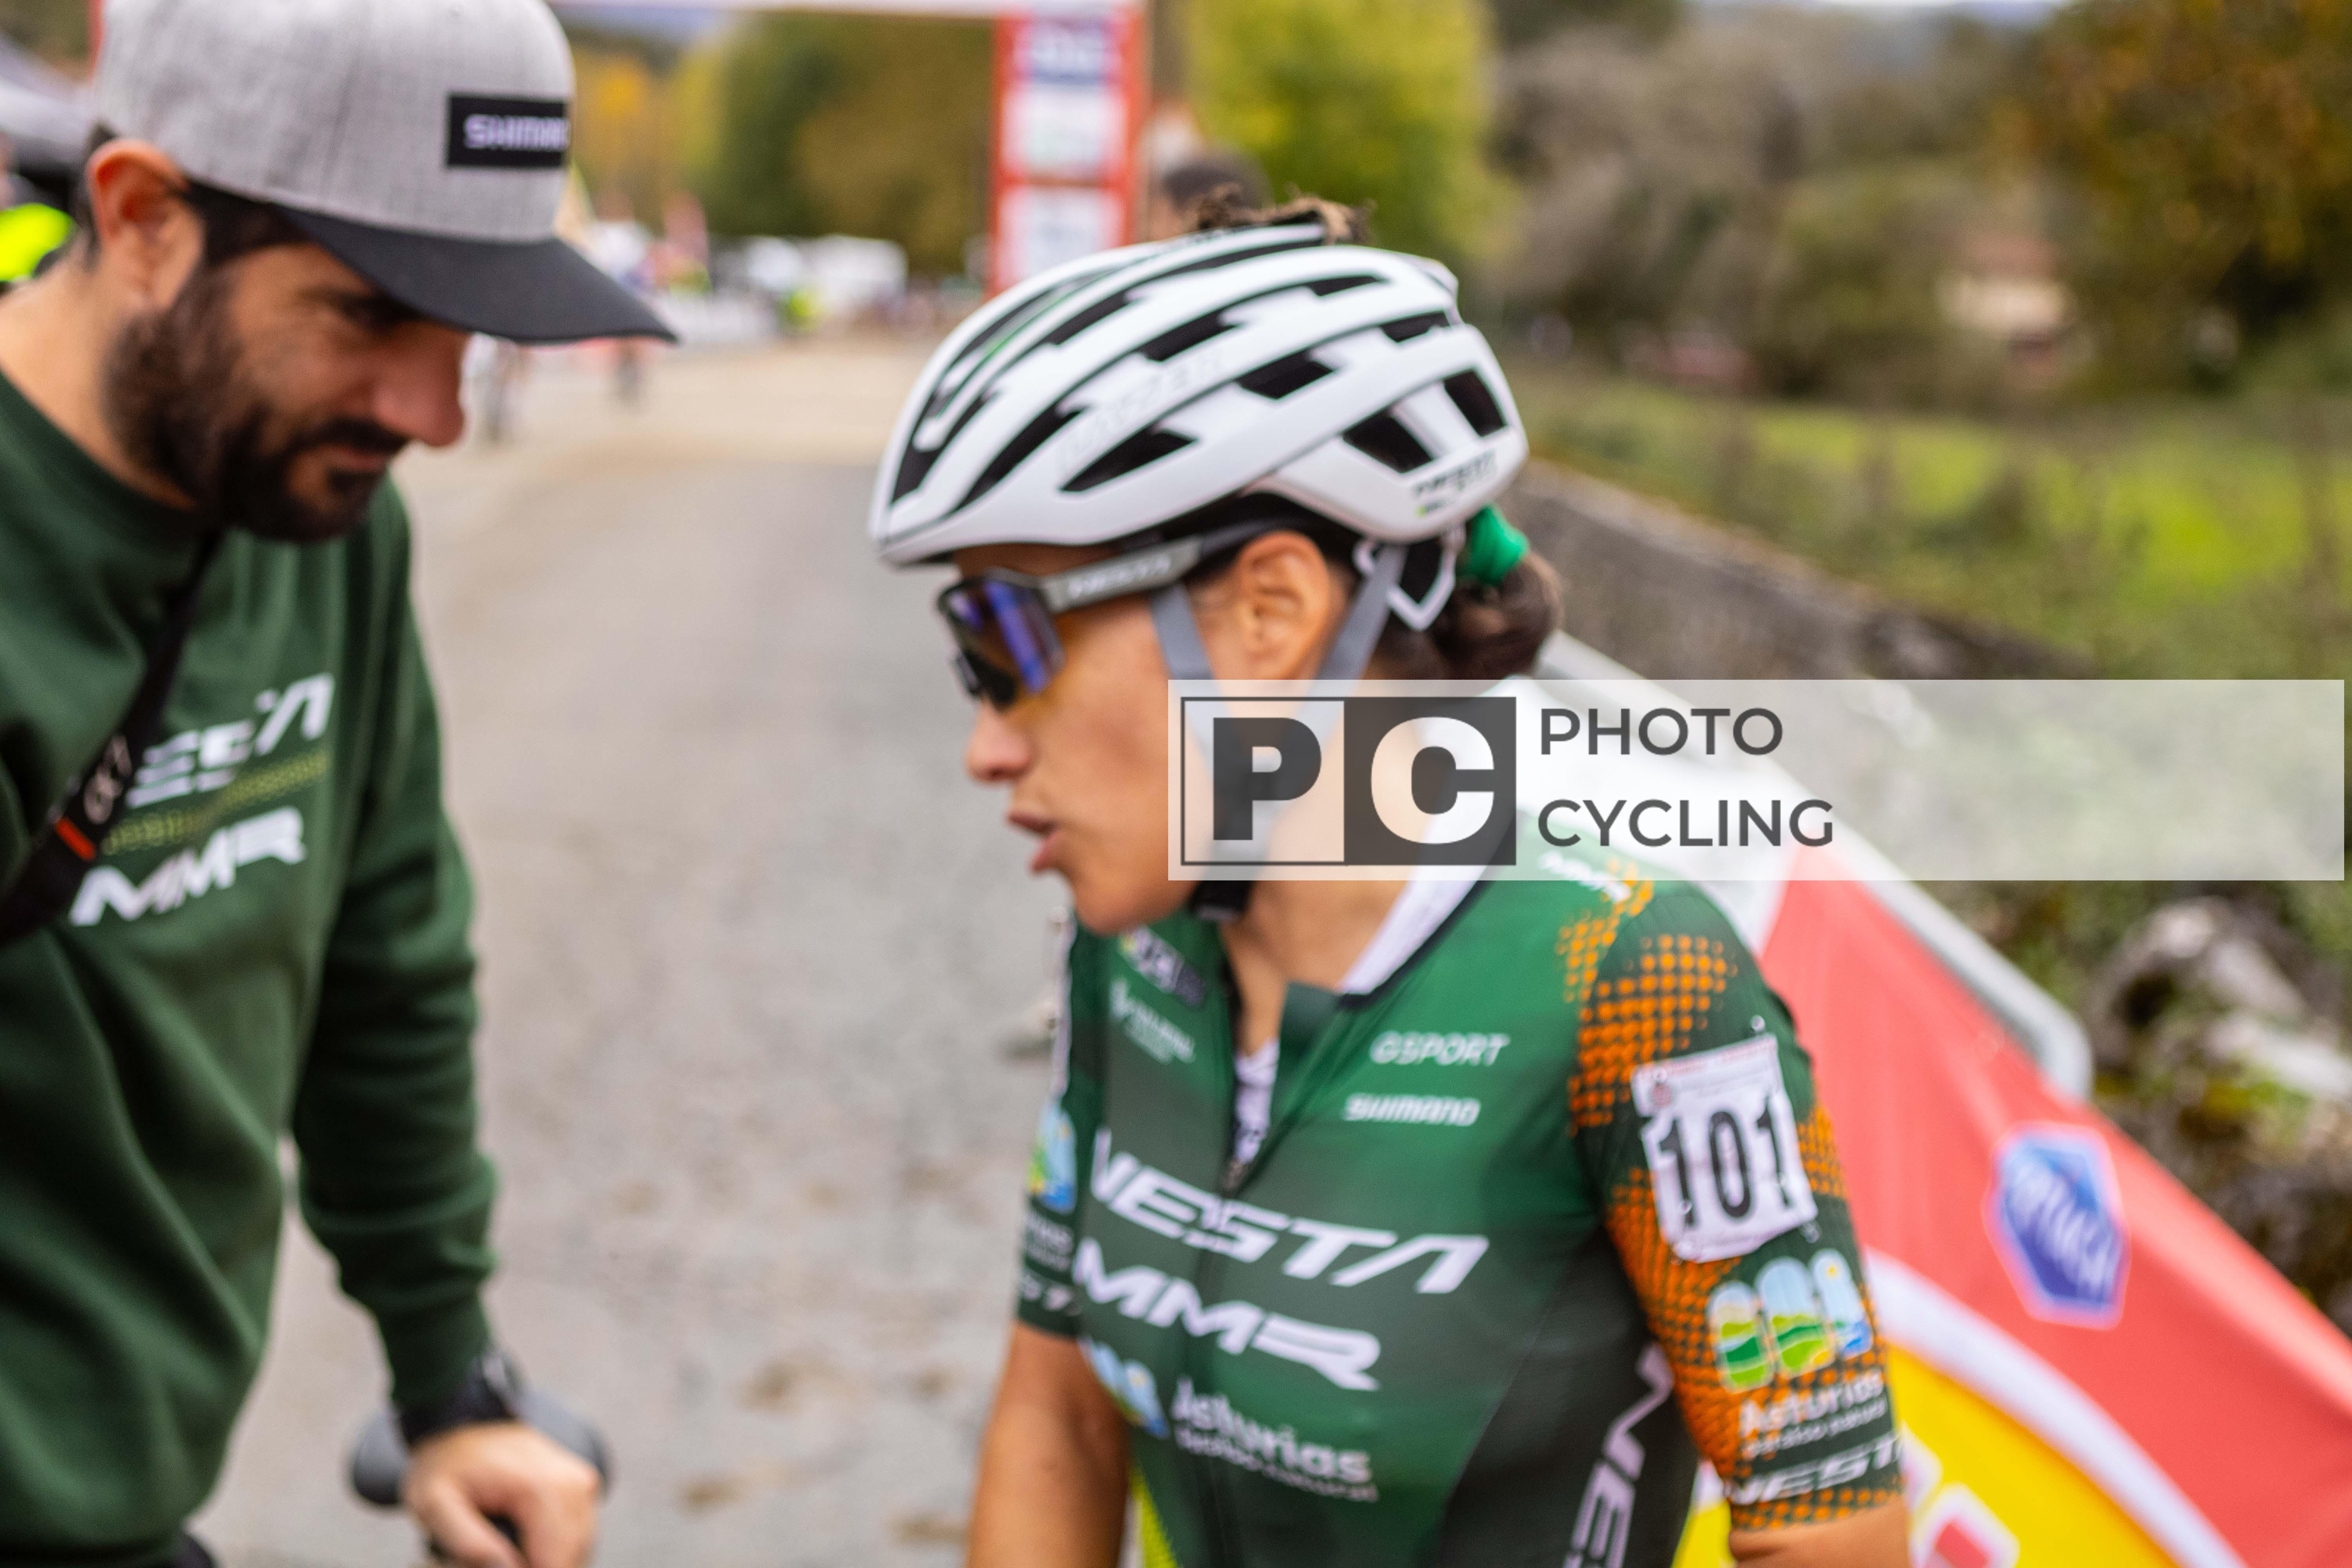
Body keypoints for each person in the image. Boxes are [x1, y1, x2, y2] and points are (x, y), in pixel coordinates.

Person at [869, 202, 1909, 1567]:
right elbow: (1059, 1416)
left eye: (1008, 643)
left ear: (1270, 611)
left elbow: (1829, 1531)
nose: (986, 744)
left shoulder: (1630, 981)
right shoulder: (1130, 946)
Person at [0, 2, 671, 1566]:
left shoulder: (315, 516)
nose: (434, 414)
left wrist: (451, 1382)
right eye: (370, 314)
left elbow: (387, 963)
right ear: (143, 218)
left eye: (468, 329)